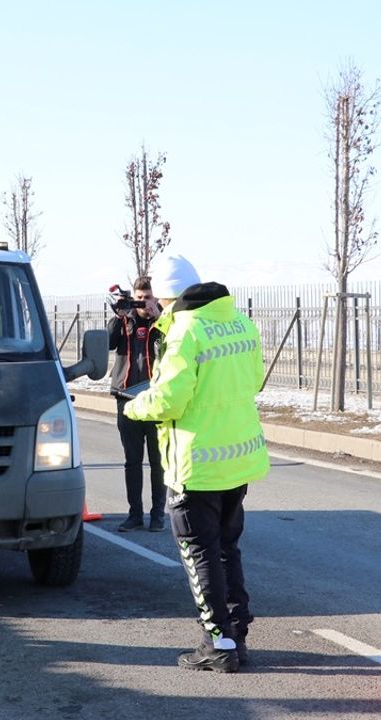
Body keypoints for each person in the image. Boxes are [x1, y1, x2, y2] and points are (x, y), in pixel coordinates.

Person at [124, 254, 270, 674]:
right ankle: (235, 635)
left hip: (197, 462)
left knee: (198, 553)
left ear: (168, 297)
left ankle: (218, 643)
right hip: (237, 457)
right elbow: (253, 380)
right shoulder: (240, 322)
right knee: (226, 549)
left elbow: (169, 399)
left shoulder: (185, 329)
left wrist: (135, 406)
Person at [107, 276, 166, 532]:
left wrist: (159, 317)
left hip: (157, 399)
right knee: (132, 460)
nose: (143, 303)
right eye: (139, 298)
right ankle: (134, 514)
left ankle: (158, 515)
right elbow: (108, 344)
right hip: (127, 398)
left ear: (156, 297)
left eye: (148, 297)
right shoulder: (124, 321)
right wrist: (117, 316)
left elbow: (175, 344)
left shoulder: (165, 323)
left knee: (157, 461)